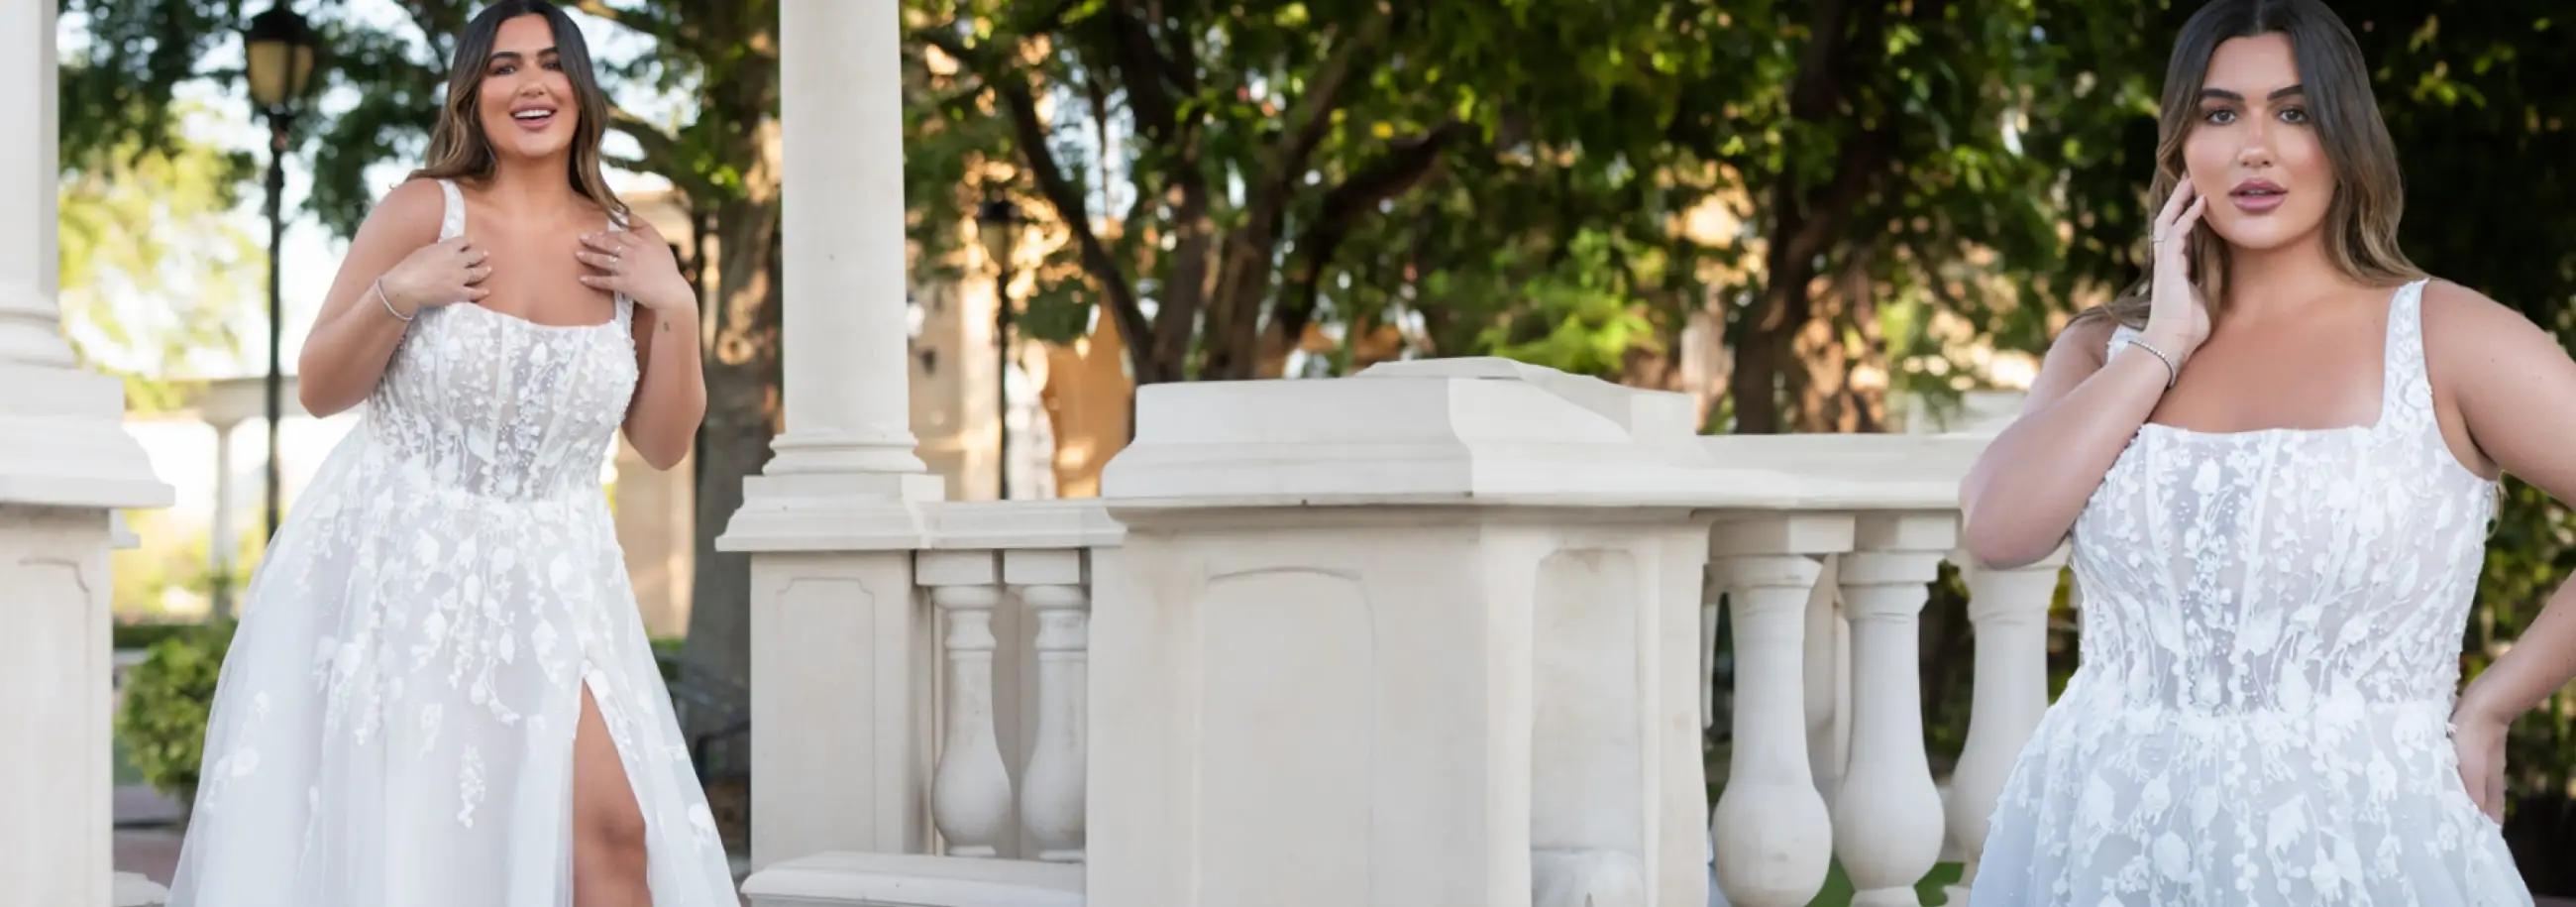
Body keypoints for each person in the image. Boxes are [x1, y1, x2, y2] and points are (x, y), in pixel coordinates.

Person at [1959, 0, 2570, 902]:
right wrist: (2162, 345)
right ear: (2181, 146)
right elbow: (1999, 530)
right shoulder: (2103, 350)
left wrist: (2494, 700)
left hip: (2362, 842)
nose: (2256, 146)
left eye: (2294, 112)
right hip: (2103, 832)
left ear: (2348, 138)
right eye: (2219, 112)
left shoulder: (2447, 336)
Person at [165, 3, 735, 904]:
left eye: (551, 64)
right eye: (504, 67)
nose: (531, 84)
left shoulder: (631, 244)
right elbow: (320, 388)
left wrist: (679, 307)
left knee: (618, 835)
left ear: (581, 91)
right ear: (473, 92)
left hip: (560, 577)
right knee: (426, 850)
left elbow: (663, 445)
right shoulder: (422, 210)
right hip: (405, 569)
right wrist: (400, 290)